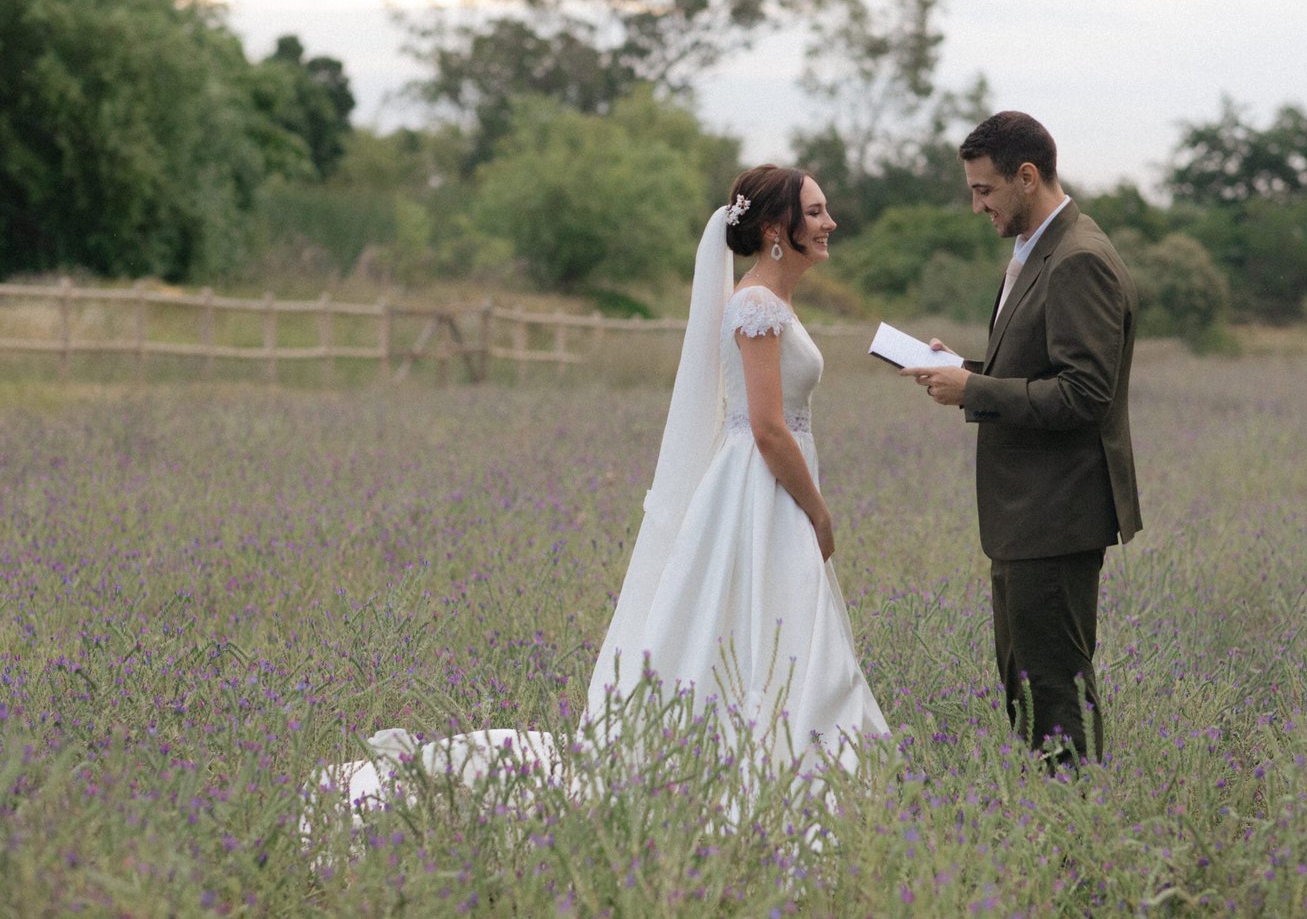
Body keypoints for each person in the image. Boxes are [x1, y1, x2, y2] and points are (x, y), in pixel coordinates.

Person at [313, 166, 886, 818]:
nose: (829, 221)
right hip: (761, 490)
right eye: (816, 211)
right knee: (766, 619)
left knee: (778, 624)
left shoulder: (773, 304)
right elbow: (765, 426)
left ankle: (791, 755)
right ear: (777, 230)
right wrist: (817, 509)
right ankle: (764, 763)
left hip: (773, 488)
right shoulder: (755, 306)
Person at [901, 111, 1141, 766]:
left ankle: (1075, 848)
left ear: (1026, 176)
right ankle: (1052, 836)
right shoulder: (1040, 251)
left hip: (1056, 515)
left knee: (1055, 695)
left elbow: (1084, 395)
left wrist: (974, 391)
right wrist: (968, 371)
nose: (977, 205)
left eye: (984, 189)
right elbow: (1042, 371)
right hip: (1027, 517)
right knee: (1028, 694)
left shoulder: (1077, 259)